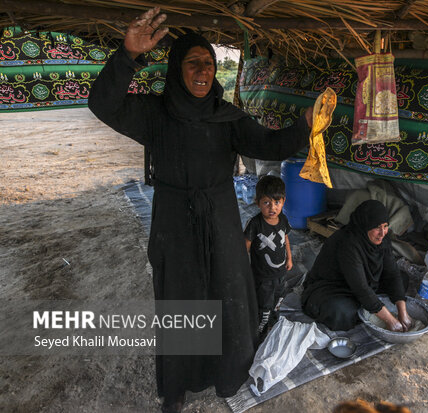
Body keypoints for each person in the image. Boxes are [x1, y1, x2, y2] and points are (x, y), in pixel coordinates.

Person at [87, 7, 313, 413]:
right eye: (192, 62)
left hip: (222, 218)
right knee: (183, 299)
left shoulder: (226, 117)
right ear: (178, 68)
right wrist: (127, 54)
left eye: (208, 62)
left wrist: (305, 125)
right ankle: (177, 387)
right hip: (176, 221)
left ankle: (229, 375)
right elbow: (102, 104)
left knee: (227, 292)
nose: (202, 70)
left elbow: (270, 144)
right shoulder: (155, 114)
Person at [302, 200, 412, 332]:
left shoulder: (383, 238)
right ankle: (370, 306)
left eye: (385, 226)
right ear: (365, 226)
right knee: (342, 312)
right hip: (335, 286)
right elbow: (359, 286)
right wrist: (390, 320)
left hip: (364, 280)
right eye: (377, 227)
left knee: (401, 280)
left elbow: (392, 272)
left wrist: (403, 312)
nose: (382, 233)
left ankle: (371, 306)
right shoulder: (347, 243)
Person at [243, 175, 292, 336]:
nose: (272, 207)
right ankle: (259, 332)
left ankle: (273, 323)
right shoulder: (255, 224)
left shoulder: (283, 219)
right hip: (263, 277)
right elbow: (246, 247)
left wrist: (289, 258)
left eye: (277, 202)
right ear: (257, 203)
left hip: (280, 273)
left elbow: (285, 238)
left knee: (278, 300)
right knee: (264, 305)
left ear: (283, 201)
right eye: (266, 203)